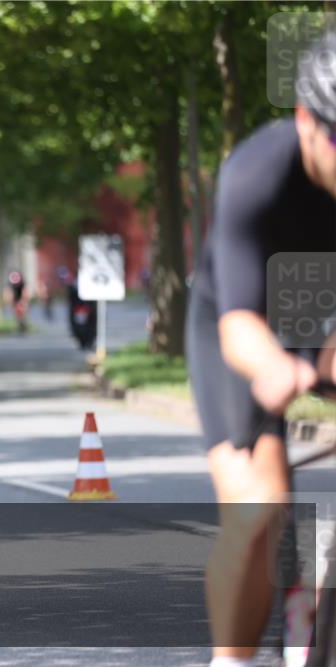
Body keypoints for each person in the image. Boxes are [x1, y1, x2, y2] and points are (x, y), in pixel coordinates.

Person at [185, 33, 336, 667]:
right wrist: (280, 365)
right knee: (259, 508)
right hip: (241, 324)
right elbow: (240, 326)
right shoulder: (257, 172)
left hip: (323, 313)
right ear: (307, 119)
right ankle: (234, 659)